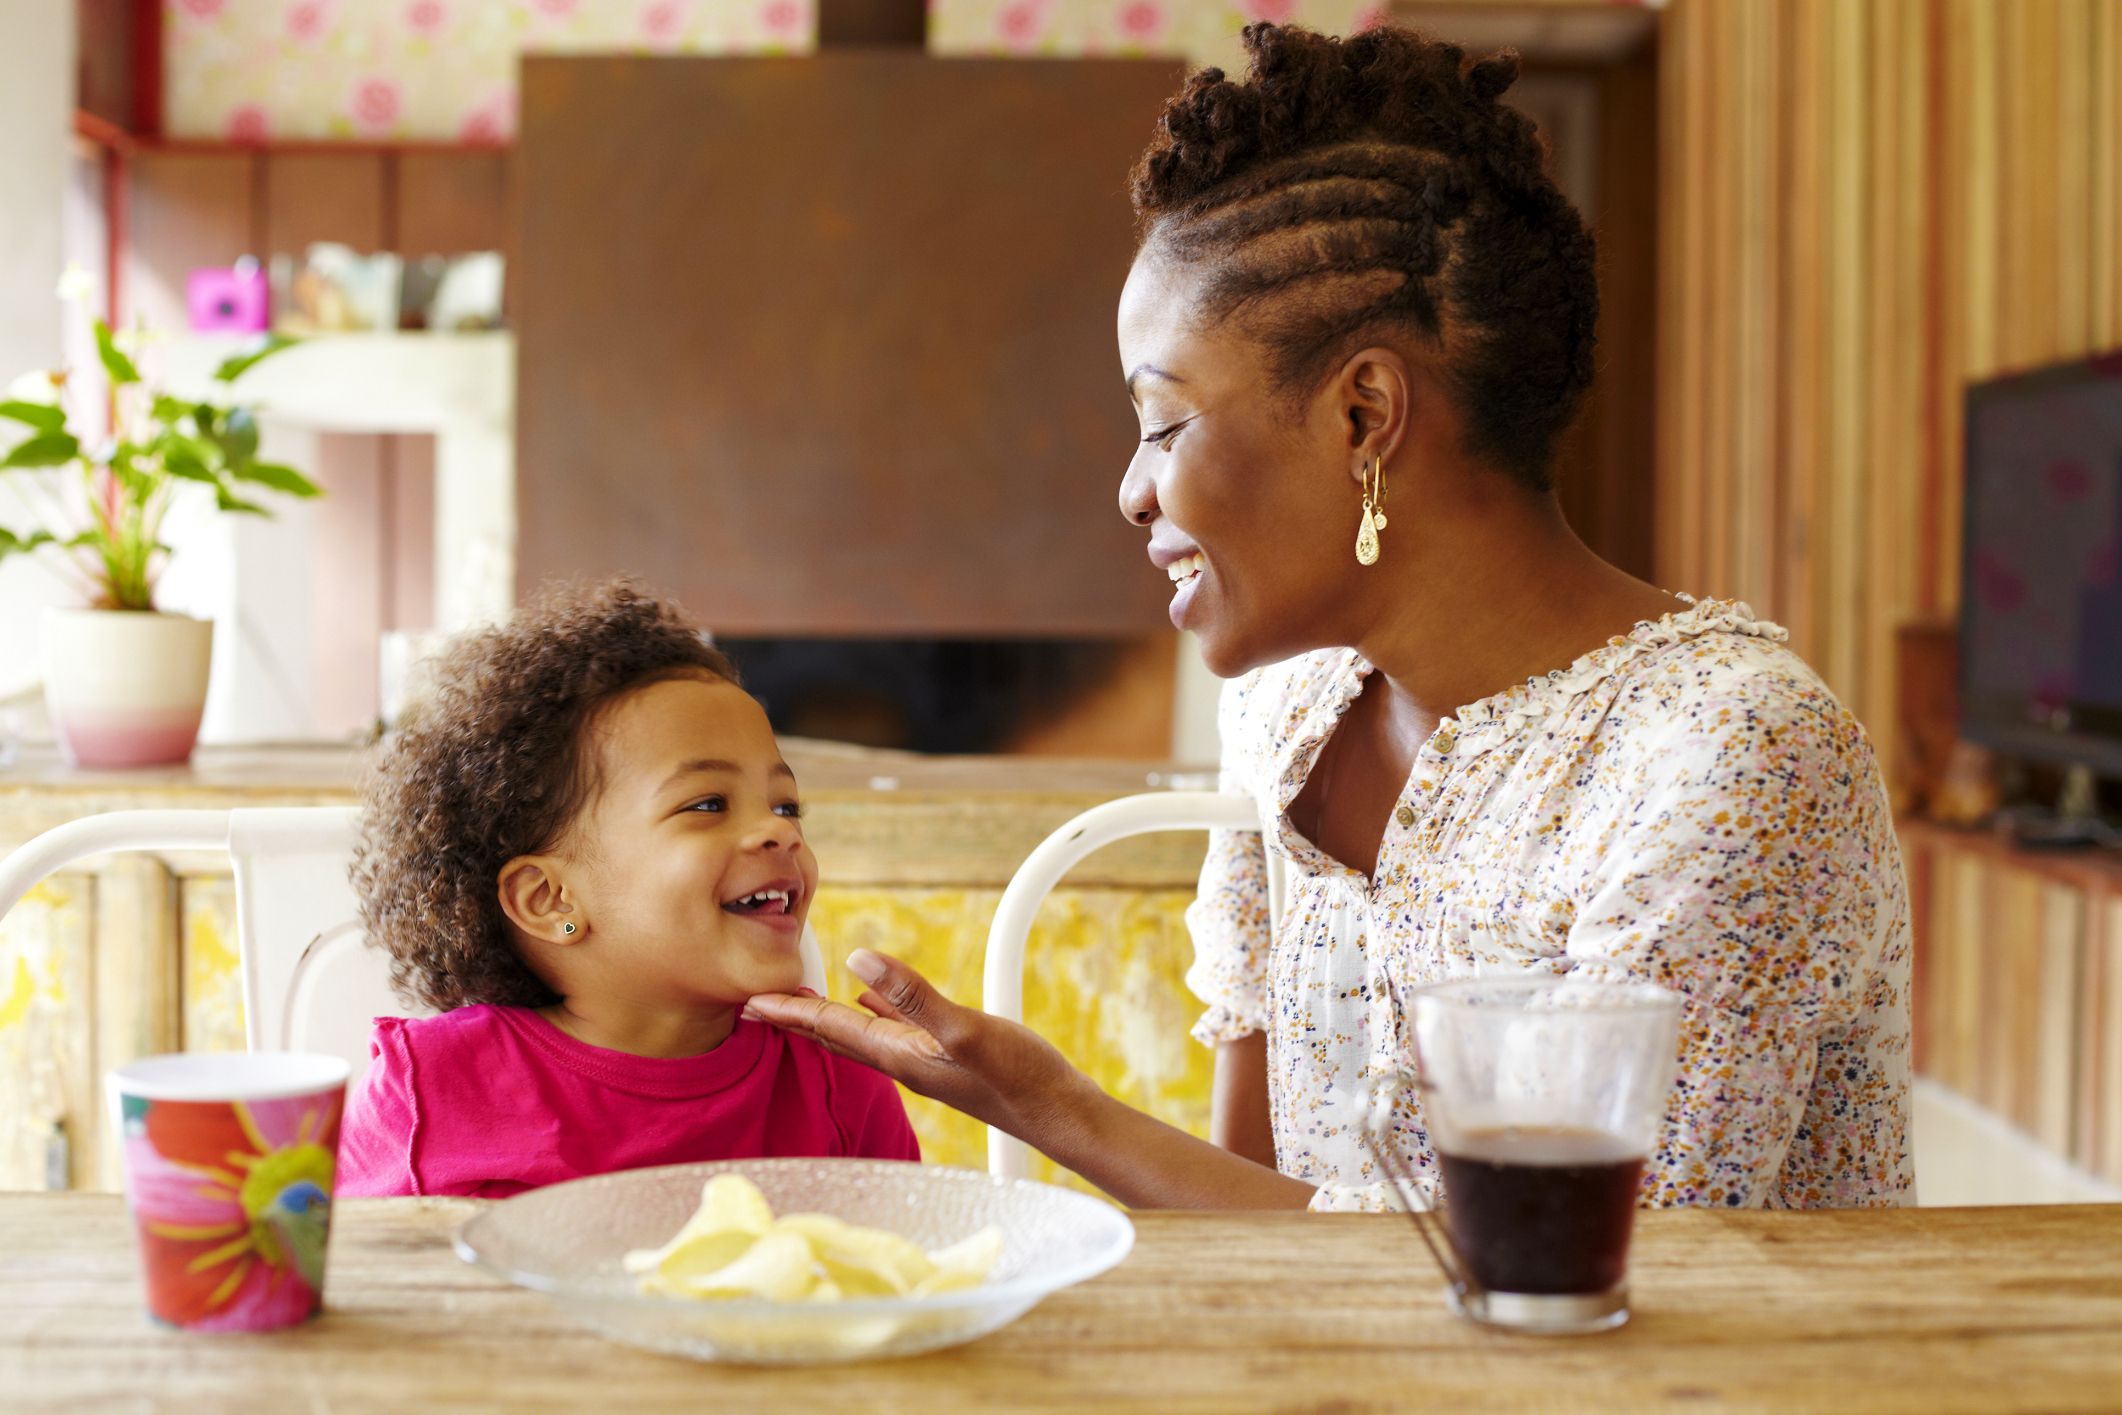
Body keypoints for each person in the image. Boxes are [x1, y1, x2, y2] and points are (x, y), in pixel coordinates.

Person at [747, 22, 1912, 1211]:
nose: (1130, 488)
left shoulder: (1731, 759)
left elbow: (1582, 1297)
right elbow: (1257, 1209)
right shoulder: (1284, 706)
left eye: (1161, 422)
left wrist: (1057, 1108)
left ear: (1363, 412)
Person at [338, 580, 918, 1197]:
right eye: (708, 804)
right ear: (551, 901)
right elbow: (355, 1275)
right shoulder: (428, 1092)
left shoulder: (841, 1080)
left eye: (787, 805)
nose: (777, 830)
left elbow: (910, 1273)